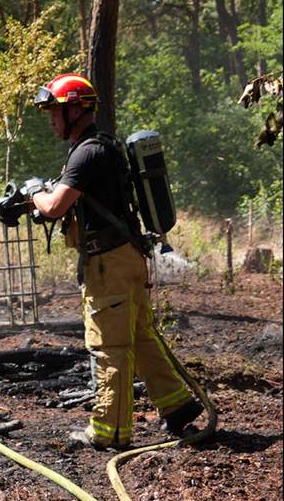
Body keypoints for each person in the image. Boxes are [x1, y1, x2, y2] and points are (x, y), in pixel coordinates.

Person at [24, 73, 203, 449]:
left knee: (110, 346)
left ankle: (111, 431)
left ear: (76, 109)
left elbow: (55, 206)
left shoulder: (88, 152)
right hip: (127, 258)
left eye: (55, 112)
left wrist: (34, 194)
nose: (51, 120)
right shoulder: (99, 147)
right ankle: (177, 405)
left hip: (109, 264)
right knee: (140, 336)